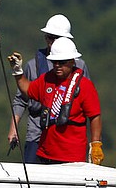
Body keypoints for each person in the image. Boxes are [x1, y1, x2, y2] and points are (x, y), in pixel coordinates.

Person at [8, 14, 90, 162]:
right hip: (37, 131)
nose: (52, 42)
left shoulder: (79, 66)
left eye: (56, 38)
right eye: (49, 37)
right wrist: (13, 128)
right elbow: (21, 99)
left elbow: (89, 105)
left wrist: (95, 142)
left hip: (66, 135)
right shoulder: (32, 66)